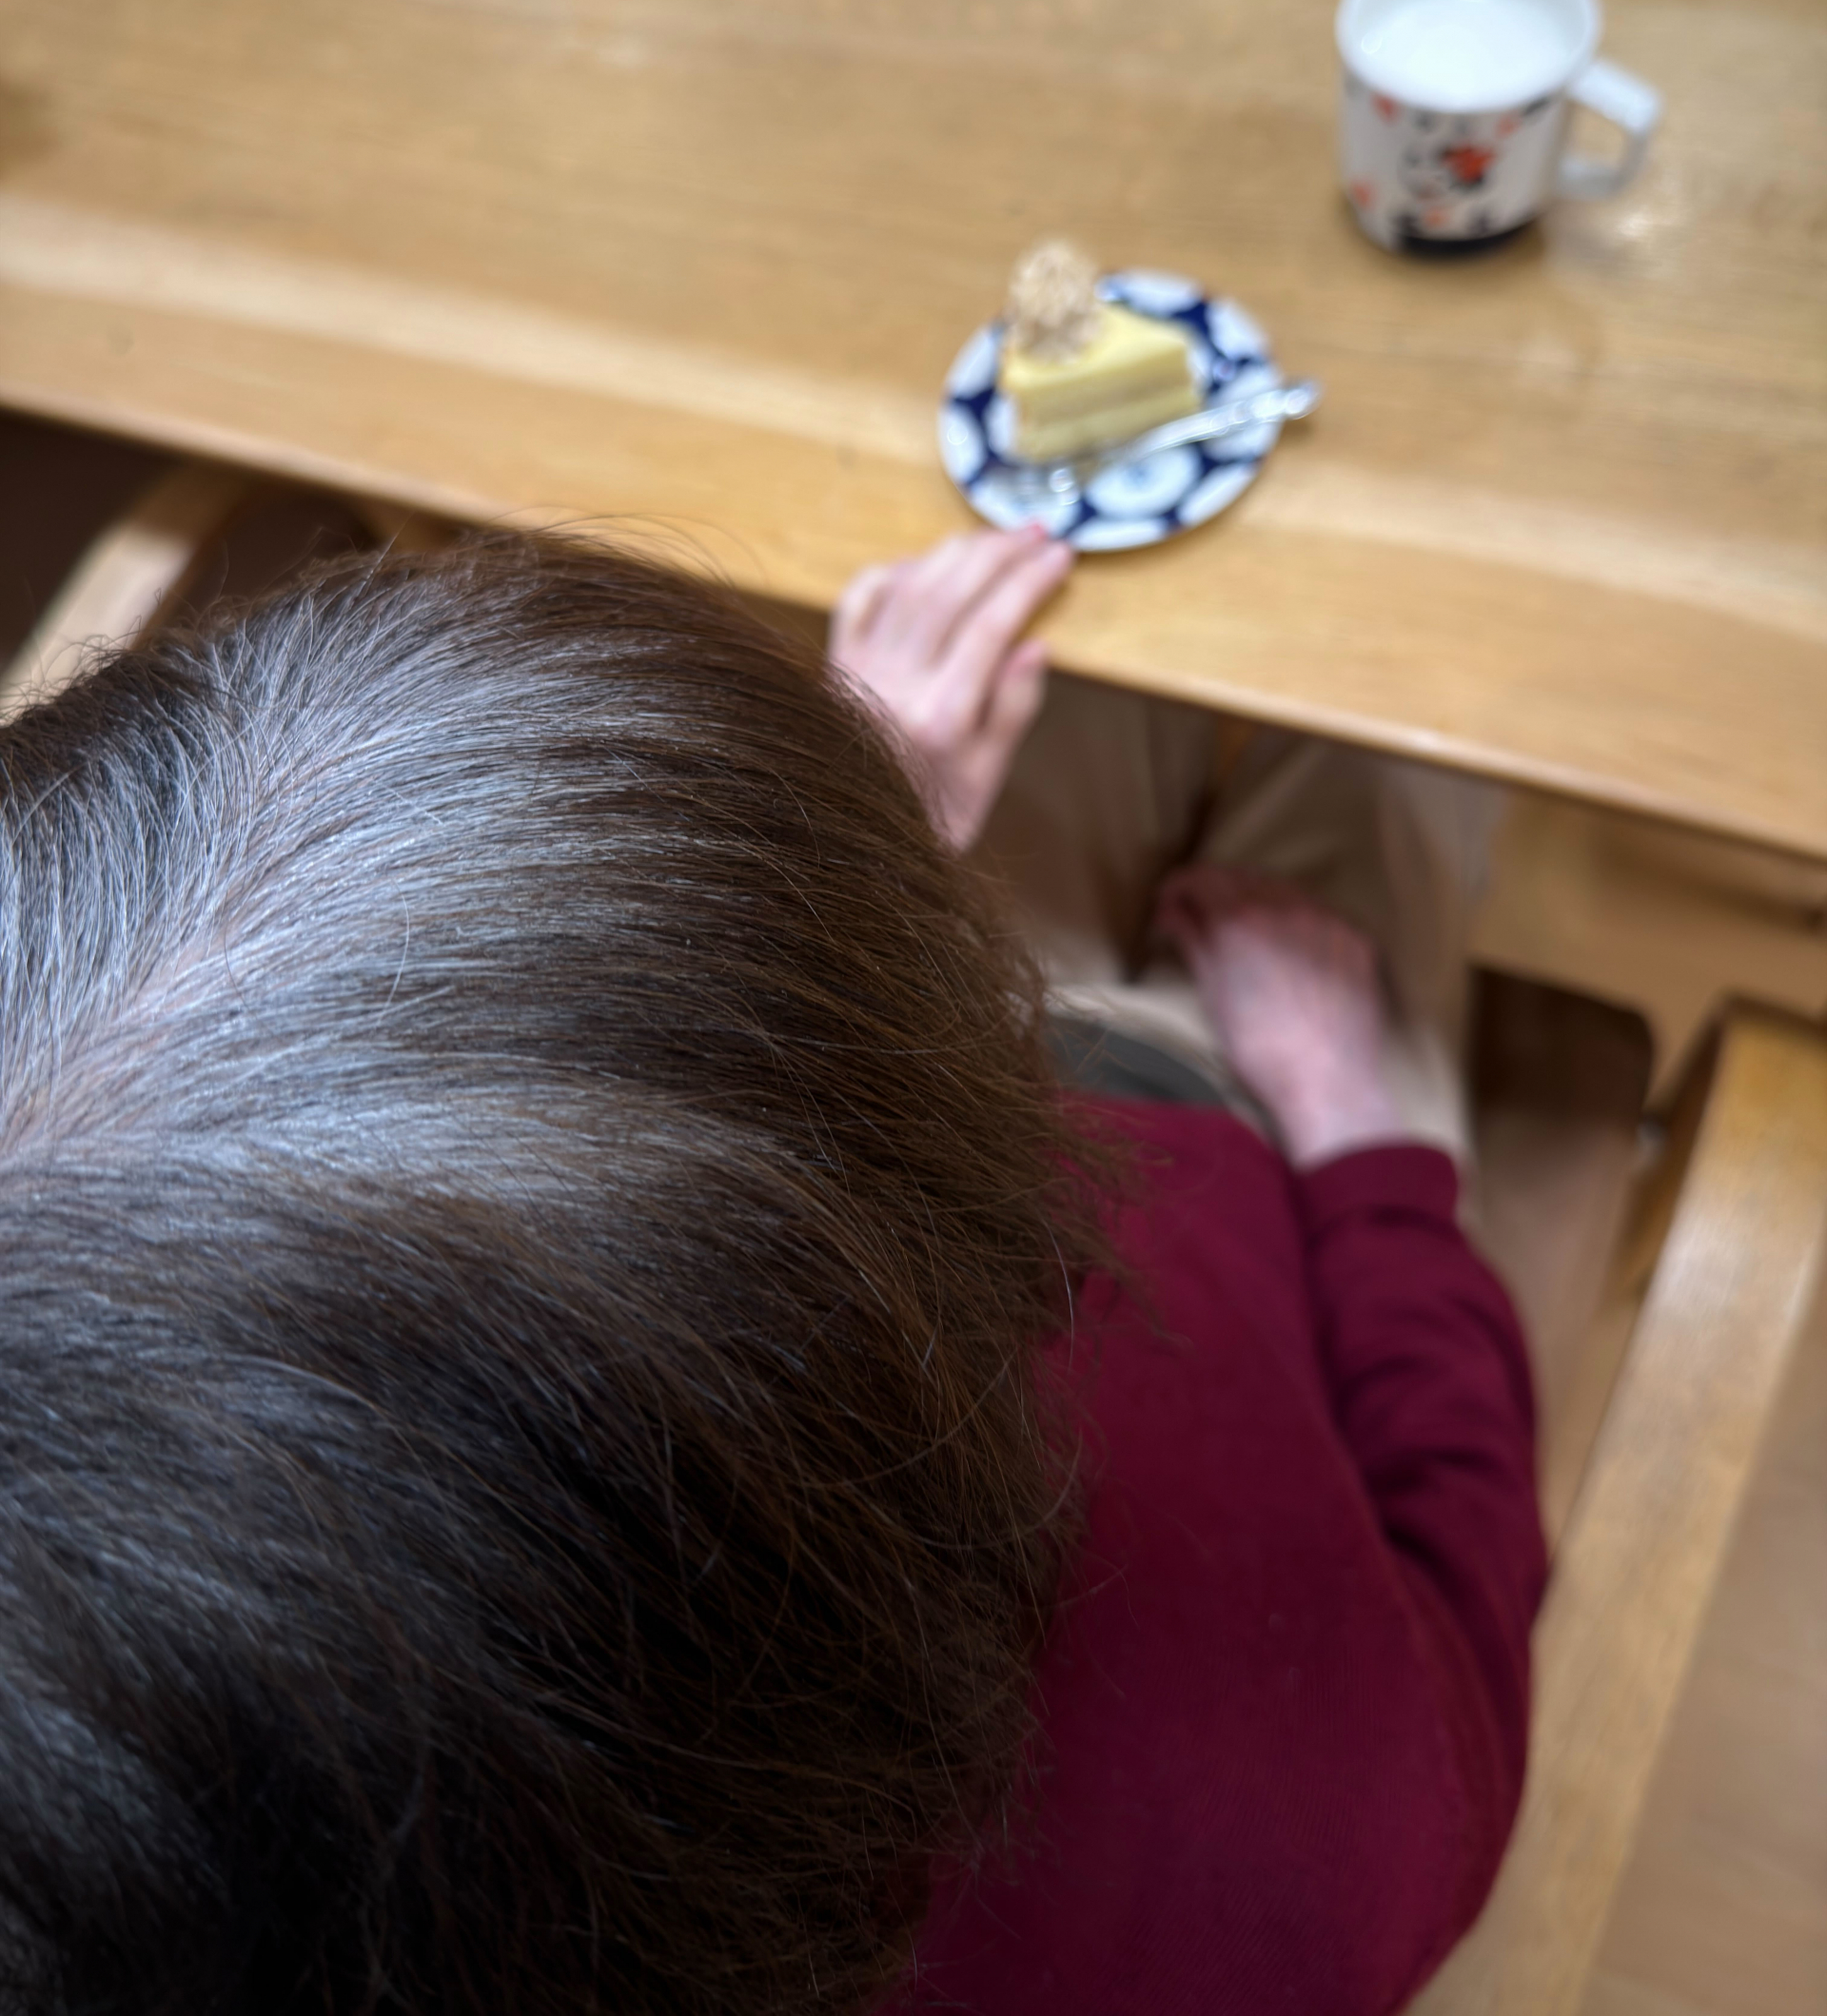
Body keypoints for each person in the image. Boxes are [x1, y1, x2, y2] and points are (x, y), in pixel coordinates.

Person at [0, 523, 1542, 2016]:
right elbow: (1461, 1542)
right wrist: (1364, 1138)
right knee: (1406, 660)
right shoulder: (1304, 1871)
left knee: (1066, 604)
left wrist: (851, 872)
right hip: (1278, 1154)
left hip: (929, 1055)